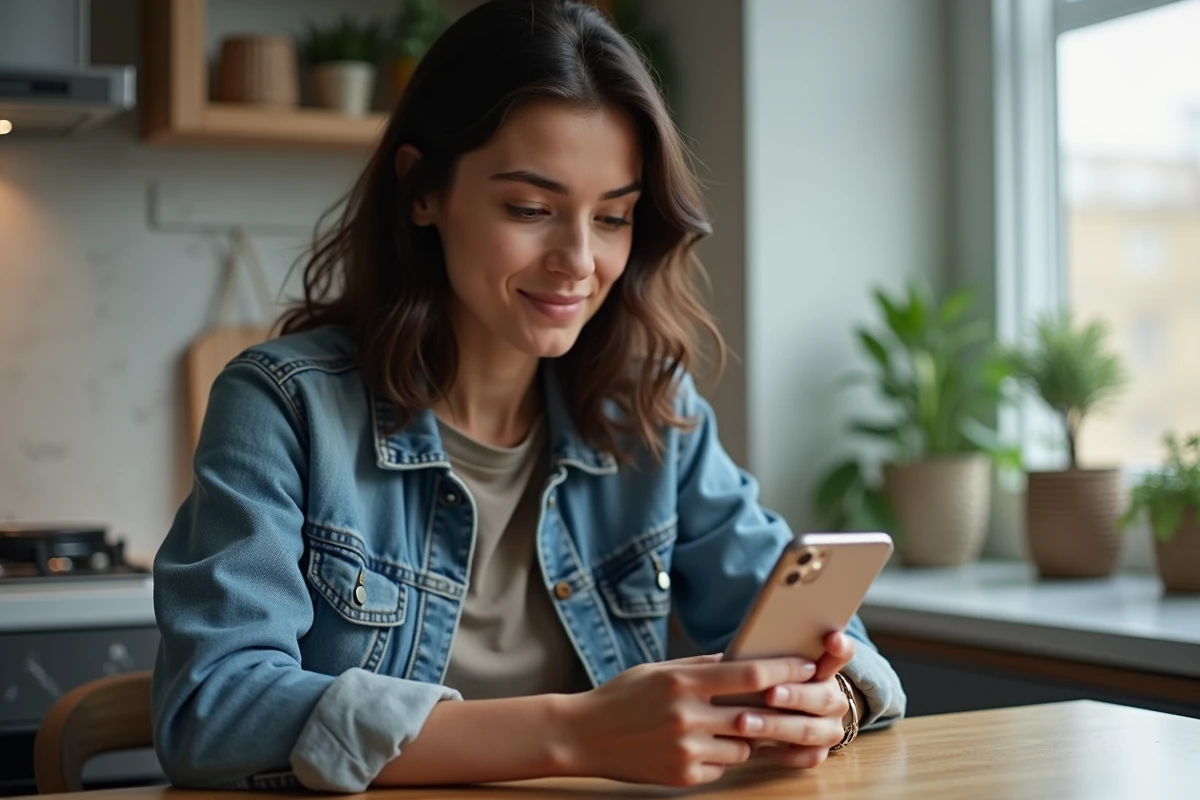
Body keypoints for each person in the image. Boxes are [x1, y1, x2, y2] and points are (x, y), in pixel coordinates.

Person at [151, 0, 906, 792]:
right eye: (531, 210)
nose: (579, 260)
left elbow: (834, 641)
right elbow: (212, 708)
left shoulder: (649, 411)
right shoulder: (284, 406)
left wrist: (832, 701)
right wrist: (577, 732)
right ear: (422, 191)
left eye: (613, 217)